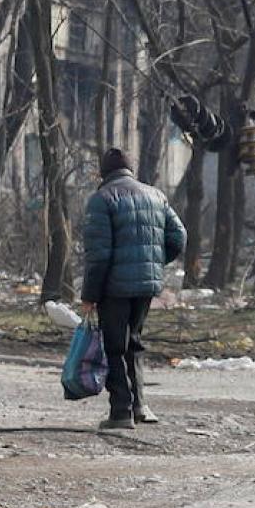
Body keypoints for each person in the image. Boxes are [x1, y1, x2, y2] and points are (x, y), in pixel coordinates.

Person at [81, 148, 188, 430]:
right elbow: (179, 236)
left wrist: (90, 295)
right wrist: (152, 262)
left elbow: (99, 255)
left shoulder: (102, 199)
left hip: (114, 286)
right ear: (131, 169)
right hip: (146, 284)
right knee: (134, 342)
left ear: (103, 172)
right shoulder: (156, 195)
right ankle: (141, 405)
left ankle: (121, 411)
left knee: (115, 346)